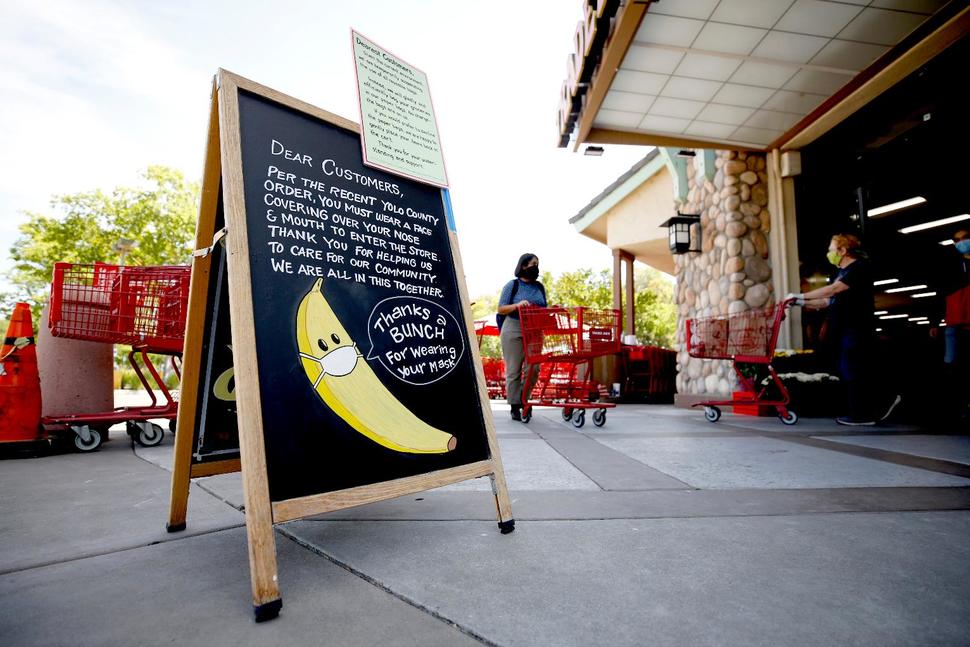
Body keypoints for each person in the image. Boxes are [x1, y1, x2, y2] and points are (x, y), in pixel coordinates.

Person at [788, 233, 900, 426]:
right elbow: (826, 301)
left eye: (831, 250)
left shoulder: (858, 269)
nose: (829, 254)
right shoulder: (840, 273)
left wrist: (801, 295)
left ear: (843, 250)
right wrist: (798, 302)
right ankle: (866, 408)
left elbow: (833, 290)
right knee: (848, 368)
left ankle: (863, 414)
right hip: (845, 330)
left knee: (854, 369)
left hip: (857, 328)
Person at [497, 253, 547, 421]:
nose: (536, 267)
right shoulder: (512, 285)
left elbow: (543, 307)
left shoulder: (540, 287)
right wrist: (518, 305)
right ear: (524, 266)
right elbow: (501, 308)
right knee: (514, 370)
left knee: (534, 369)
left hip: (535, 328)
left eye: (537, 264)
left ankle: (524, 398)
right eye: (533, 263)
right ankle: (515, 405)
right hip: (513, 326)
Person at [942, 229, 970, 423]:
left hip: (966, 319)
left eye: (963, 239)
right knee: (953, 364)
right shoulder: (952, 265)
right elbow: (941, 292)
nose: (959, 242)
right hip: (955, 320)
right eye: (956, 240)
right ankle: (956, 407)